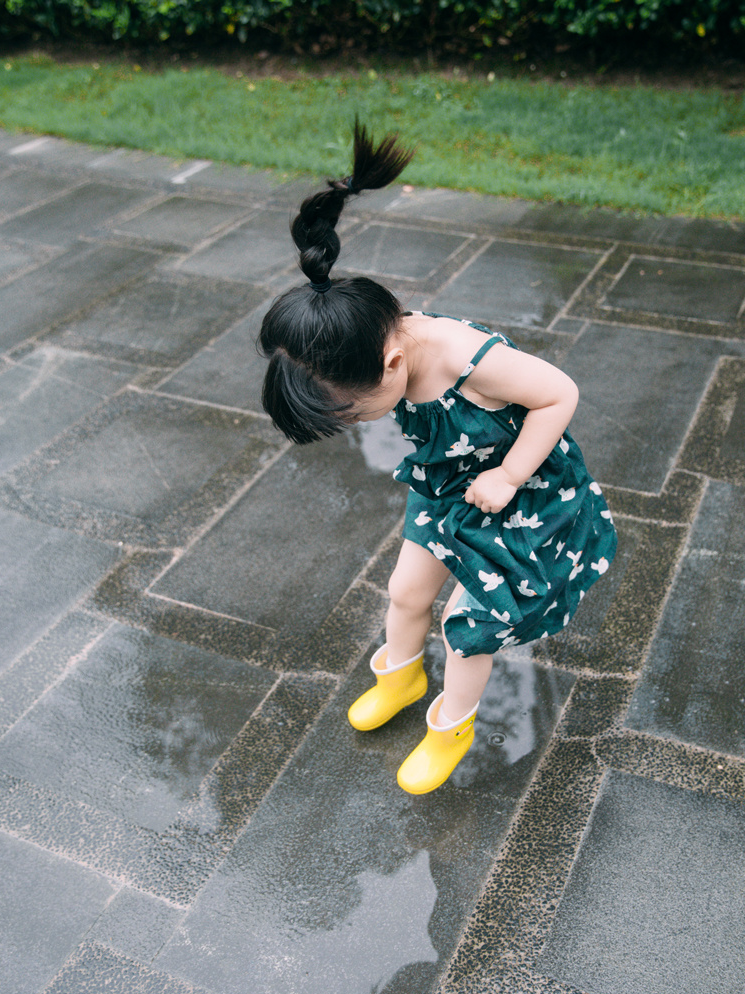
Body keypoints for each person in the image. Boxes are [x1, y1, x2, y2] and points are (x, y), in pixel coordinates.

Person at [258, 121, 617, 795]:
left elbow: (559, 394)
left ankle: (450, 726)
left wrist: (510, 475)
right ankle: (399, 677)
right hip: (450, 479)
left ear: (392, 363)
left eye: (358, 413)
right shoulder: (361, 331)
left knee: (466, 624)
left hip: (520, 491)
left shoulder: (469, 362)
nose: (364, 422)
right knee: (404, 592)